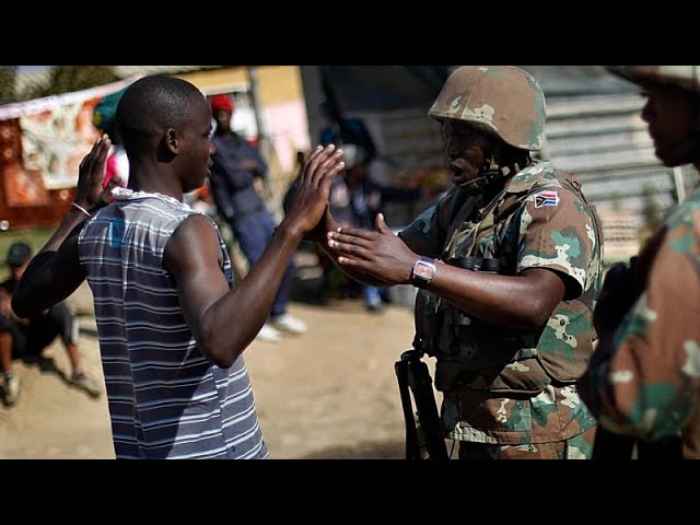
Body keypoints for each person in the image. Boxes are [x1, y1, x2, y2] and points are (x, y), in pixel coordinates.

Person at [12, 75, 345, 459]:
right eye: (204, 135)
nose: (212, 148)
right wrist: (291, 228)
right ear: (172, 141)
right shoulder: (184, 230)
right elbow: (221, 341)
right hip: (215, 449)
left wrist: (78, 209)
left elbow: (25, 298)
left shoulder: (97, 228)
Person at [322, 66, 603, 459]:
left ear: (505, 136)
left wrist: (420, 270)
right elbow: (385, 260)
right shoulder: (464, 203)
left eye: (463, 134)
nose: (449, 147)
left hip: (540, 433)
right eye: (446, 131)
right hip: (472, 427)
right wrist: (320, 228)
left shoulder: (551, 204)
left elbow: (534, 302)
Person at [579, 66, 700, 459]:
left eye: (656, 98)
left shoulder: (693, 228)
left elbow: (633, 403)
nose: (646, 114)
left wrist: (615, 330)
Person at [208, 94, 306, 343]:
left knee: (284, 260)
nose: (223, 117)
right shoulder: (214, 147)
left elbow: (261, 166)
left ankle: (279, 312)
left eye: (226, 112)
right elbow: (236, 178)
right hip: (239, 214)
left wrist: (246, 167)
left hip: (259, 209)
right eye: (219, 113)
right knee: (257, 268)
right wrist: (247, 166)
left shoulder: (239, 140)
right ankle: (255, 322)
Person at [0, 241, 101, 406]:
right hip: (17, 344)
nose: (15, 271)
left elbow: (34, 313)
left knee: (62, 310)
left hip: (39, 337)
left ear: (29, 262)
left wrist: (15, 311)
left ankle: (78, 372)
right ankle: (9, 377)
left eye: (19, 266)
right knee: (1, 320)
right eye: (12, 266)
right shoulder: (4, 289)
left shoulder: (38, 284)